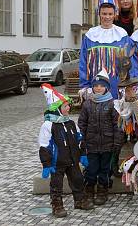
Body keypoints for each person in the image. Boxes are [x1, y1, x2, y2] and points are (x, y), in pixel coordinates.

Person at [38, 84, 92, 218]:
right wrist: (47, 164)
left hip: (73, 160)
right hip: (57, 162)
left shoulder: (70, 123)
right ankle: (57, 205)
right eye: (66, 106)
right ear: (57, 109)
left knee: (78, 179)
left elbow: (79, 139)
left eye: (68, 105)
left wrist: (82, 154)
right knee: (56, 184)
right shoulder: (48, 125)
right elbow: (44, 146)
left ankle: (79, 200)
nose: (69, 108)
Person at [78, 71, 124, 206]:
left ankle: (103, 190)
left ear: (107, 88)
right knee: (91, 169)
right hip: (91, 144)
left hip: (107, 144)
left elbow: (118, 125)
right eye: (96, 85)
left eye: (101, 86)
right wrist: (82, 140)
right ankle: (89, 190)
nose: (98, 88)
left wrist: (117, 142)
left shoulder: (112, 105)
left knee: (105, 169)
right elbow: (82, 123)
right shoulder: (87, 104)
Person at [79, 0, 132, 98]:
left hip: (117, 86)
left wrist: (128, 85)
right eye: (104, 14)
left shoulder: (122, 35)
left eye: (110, 14)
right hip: (96, 86)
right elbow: (84, 62)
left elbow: (129, 62)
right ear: (99, 14)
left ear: (114, 15)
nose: (107, 17)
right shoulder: (90, 35)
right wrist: (84, 86)